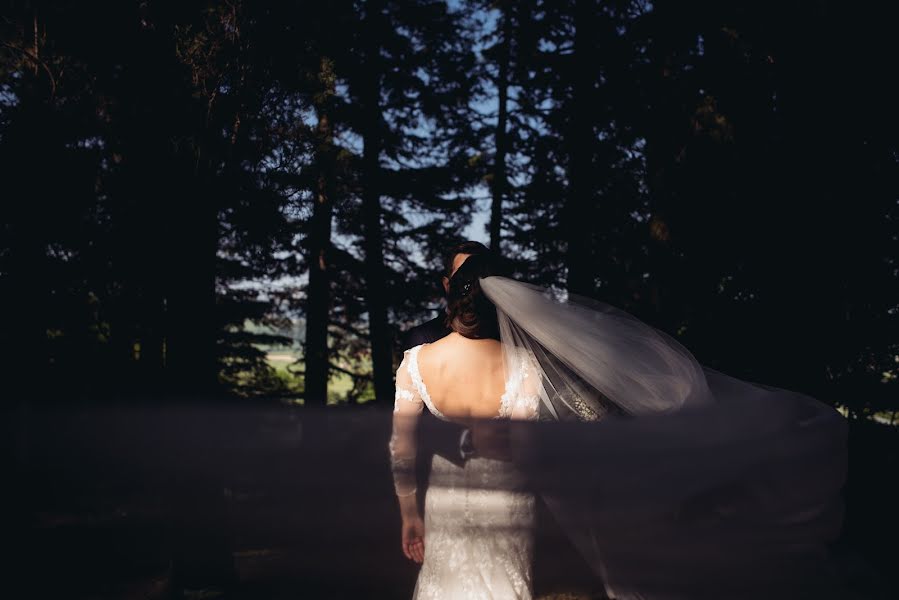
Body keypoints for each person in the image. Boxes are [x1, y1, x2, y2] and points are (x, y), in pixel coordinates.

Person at [389, 254, 848, 599]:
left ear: (451, 298)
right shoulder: (525, 365)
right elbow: (531, 448)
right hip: (507, 500)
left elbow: (402, 448)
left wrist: (410, 514)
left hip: (445, 498)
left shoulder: (417, 363)